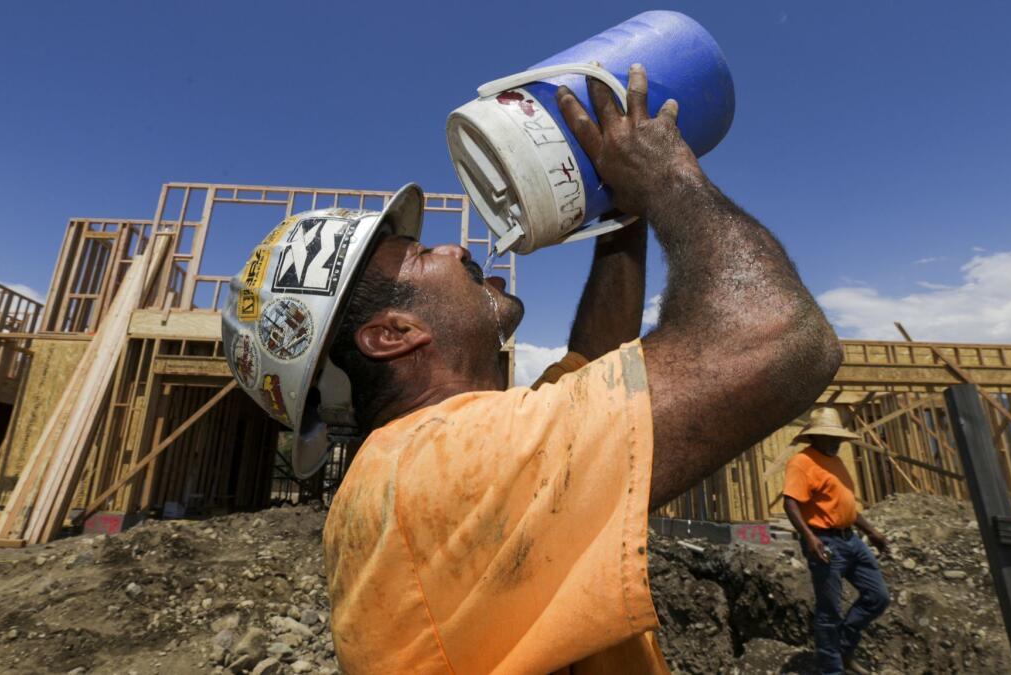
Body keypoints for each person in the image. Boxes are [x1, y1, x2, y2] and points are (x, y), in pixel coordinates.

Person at [225, 64, 842, 673]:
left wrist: (618, 212)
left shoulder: (422, 464)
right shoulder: (451, 465)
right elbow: (780, 334)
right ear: (392, 334)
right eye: (420, 255)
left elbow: (596, 364)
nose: (455, 247)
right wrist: (665, 177)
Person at [783, 406, 891, 675]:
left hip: (851, 540)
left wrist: (872, 532)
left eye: (839, 438)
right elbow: (790, 503)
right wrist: (809, 538)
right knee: (829, 609)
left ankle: (841, 648)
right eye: (830, 437)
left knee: (878, 596)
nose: (836, 442)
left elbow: (846, 507)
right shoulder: (802, 462)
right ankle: (831, 669)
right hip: (824, 542)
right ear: (815, 437)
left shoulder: (837, 462)